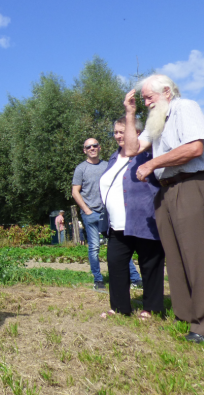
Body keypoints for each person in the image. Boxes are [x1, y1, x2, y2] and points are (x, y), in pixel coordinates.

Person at [123, 74, 204, 343]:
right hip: (166, 191)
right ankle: (186, 316)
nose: (146, 103)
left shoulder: (185, 108)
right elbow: (132, 149)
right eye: (143, 99)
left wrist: (153, 164)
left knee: (195, 256)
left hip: (190, 184)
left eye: (149, 97)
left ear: (167, 92)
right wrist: (130, 113)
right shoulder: (157, 120)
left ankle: (201, 325)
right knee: (176, 256)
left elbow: (195, 147)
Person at [99, 117, 165, 319]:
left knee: (150, 264)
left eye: (122, 131)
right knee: (116, 263)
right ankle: (120, 308)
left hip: (144, 219)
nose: (118, 136)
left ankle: (151, 309)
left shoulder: (147, 153)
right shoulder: (113, 157)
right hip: (117, 224)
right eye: (116, 132)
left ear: (137, 133)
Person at [72, 139, 141, 290]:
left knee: (121, 245)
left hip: (109, 213)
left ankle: (135, 279)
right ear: (84, 150)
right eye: (88, 147)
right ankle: (98, 280)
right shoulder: (81, 169)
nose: (92, 148)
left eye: (94, 145)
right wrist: (86, 210)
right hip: (91, 214)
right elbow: (75, 191)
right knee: (94, 248)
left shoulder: (107, 166)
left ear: (99, 148)